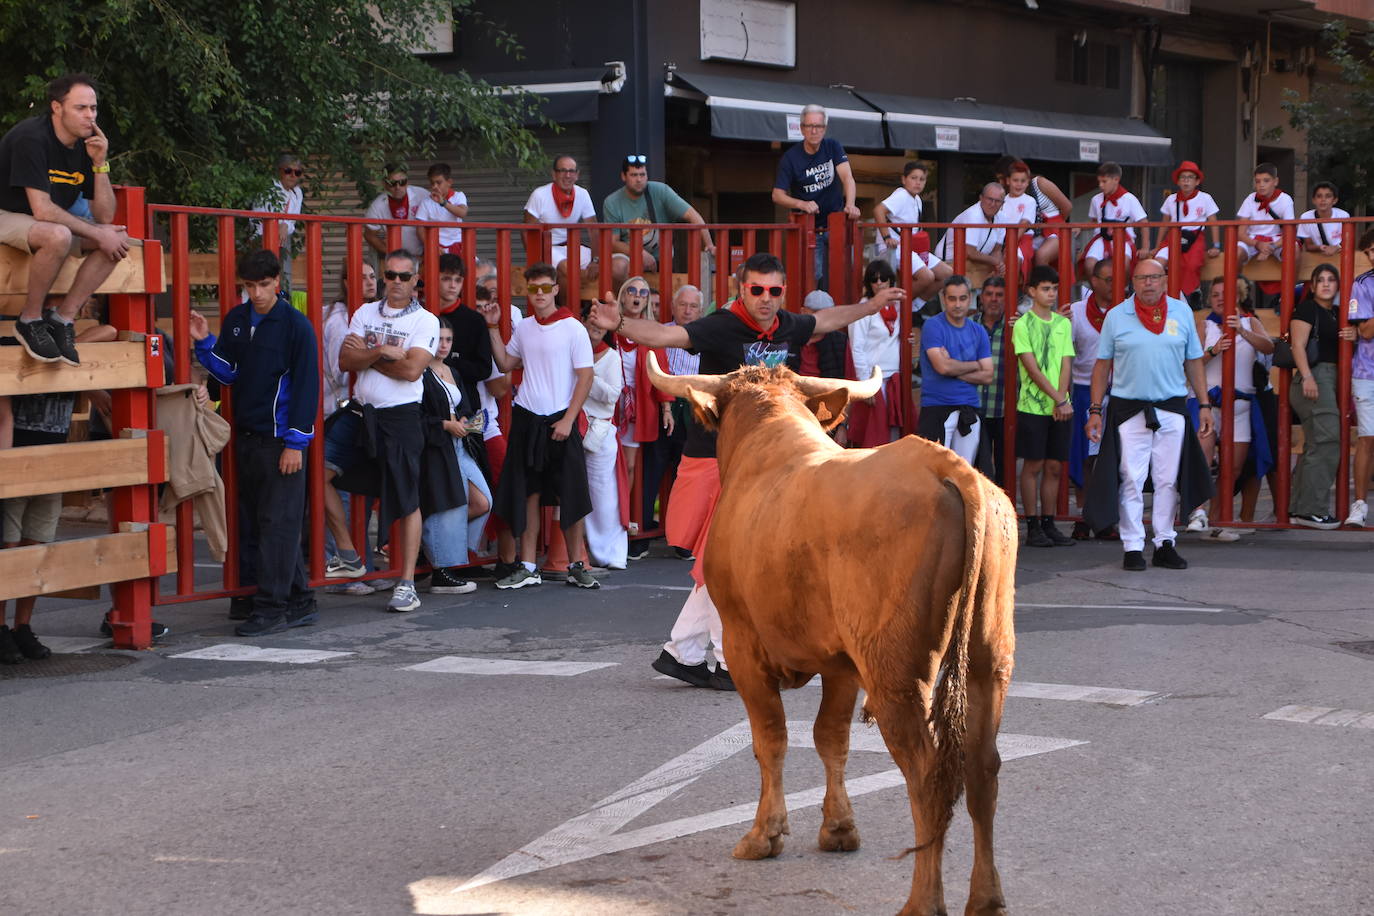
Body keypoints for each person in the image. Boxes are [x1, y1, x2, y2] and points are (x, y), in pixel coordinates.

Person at [587, 252, 903, 691]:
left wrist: (871, 306)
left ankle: (682, 652)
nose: (765, 299)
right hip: (715, 460)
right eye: (757, 290)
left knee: (724, 561)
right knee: (729, 563)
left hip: (761, 461)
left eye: (774, 290)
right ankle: (728, 661)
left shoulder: (786, 325)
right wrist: (619, 323)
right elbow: (663, 334)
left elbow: (826, 320)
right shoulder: (722, 325)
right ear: (742, 290)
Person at [189, 249, 319, 635]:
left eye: (264, 284)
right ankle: (300, 601)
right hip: (247, 438)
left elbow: (307, 387)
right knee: (267, 525)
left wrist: (295, 444)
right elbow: (229, 374)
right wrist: (204, 342)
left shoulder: (296, 326)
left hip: (280, 441)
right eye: (250, 286)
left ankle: (271, 608)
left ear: (277, 281)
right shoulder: (237, 319)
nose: (257, 293)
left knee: (277, 525)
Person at [1085, 259, 1215, 571]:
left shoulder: (1181, 312)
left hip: (1171, 406)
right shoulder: (1117, 315)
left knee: (1167, 479)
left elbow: (1194, 361)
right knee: (1132, 478)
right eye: (1142, 278)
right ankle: (1132, 545)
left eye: (1154, 277)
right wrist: (1095, 409)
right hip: (1129, 408)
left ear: (1165, 280)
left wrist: (1204, 404)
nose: (1148, 283)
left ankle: (1164, 542)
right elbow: (1102, 365)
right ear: (1133, 281)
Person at [0, 73, 129, 366]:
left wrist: (100, 164)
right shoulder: (32, 138)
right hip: (6, 214)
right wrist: (97, 233)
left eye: (93, 108)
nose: (90, 116)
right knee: (58, 235)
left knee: (117, 240)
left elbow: (105, 216)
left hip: (40, 221)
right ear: (57, 107)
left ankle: (62, 319)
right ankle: (30, 320)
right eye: (80, 108)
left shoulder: (86, 144)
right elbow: (43, 210)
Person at [337, 250, 440, 611]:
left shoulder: (426, 320)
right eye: (390, 275)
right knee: (321, 472)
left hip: (401, 417)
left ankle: (407, 583)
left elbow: (412, 371)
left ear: (415, 281)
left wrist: (367, 355)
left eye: (403, 276)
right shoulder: (365, 312)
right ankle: (348, 555)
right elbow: (345, 360)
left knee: (407, 499)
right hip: (361, 413)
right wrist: (382, 350)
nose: (395, 282)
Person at [488, 262, 599, 590]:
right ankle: (527, 565)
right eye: (533, 289)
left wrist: (568, 419)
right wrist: (492, 327)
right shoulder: (524, 327)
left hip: (560, 418)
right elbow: (506, 363)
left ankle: (576, 565)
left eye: (544, 288)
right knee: (529, 494)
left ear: (555, 290)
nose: (539, 294)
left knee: (570, 494)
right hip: (527, 418)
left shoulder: (573, 328)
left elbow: (586, 376)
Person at [1185, 277, 1274, 540]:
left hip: (1241, 403)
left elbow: (1269, 347)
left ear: (1238, 295)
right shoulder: (1204, 325)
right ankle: (1198, 513)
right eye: (1215, 295)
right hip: (1208, 403)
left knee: (1232, 469)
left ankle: (1217, 520)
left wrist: (1242, 332)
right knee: (1203, 459)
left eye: (1226, 293)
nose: (1220, 299)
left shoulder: (1250, 322)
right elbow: (1189, 363)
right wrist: (1213, 351)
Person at [419, 318, 490, 594]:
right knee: (449, 505)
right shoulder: (420, 371)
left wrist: (463, 420)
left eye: (448, 339)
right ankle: (442, 567)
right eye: (439, 339)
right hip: (438, 445)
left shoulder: (453, 371)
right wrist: (445, 425)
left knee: (482, 502)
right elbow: (416, 415)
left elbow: (466, 407)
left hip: (459, 444)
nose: (444, 345)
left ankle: (444, 553)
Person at [1014, 265, 1076, 547]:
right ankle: (1032, 525)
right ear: (1032, 291)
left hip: (1060, 406)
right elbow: (1032, 368)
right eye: (1045, 289)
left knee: (1054, 466)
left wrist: (1062, 399)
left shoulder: (1063, 324)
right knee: (1033, 465)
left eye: (1054, 289)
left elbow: (1066, 363)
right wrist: (1059, 399)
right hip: (1032, 406)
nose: (1051, 294)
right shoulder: (1023, 325)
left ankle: (1049, 524)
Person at [612, 276, 672, 559]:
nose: (637, 296)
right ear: (623, 296)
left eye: (643, 293)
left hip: (637, 408)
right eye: (632, 291)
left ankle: (622, 518)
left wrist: (667, 409)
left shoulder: (651, 331)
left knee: (630, 465)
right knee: (605, 464)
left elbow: (662, 371)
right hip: (609, 405)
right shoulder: (611, 328)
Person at [771, 105, 860, 289]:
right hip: (810, 228)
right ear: (801, 128)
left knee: (845, 273)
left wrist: (850, 204)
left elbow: (847, 178)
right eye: (809, 126)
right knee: (812, 278)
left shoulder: (833, 146)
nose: (814, 131)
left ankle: (843, 308)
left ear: (824, 129)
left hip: (836, 223)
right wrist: (801, 204)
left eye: (818, 126)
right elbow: (777, 195)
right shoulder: (790, 158)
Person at [1287, 263, 1344, 529]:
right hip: (1314, 377)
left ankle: (1299, 509)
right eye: (1320, 279)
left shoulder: (1336, 313)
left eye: (1331, 279)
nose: (1326, 284)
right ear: (1312, 285)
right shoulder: (1308, 308)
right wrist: (1308, 376)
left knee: (1316, 445)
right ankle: (1311, 510)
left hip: (1327, 378)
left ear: (1338, 285)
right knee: (1327, 442)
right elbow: (1297, 345)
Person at [602, 154, 714, 287]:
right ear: (623, 176)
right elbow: (613, 242)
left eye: (642, 175)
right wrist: (639, 253)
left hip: (661, 257)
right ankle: (624, 298)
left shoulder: (661, 191)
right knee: (617, 267)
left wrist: (709, 245)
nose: (639, 179)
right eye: (633, 175)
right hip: (629, 258)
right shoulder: (612, 202)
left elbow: (693, 215)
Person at [917, 275, 993, 467]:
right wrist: (975, 364)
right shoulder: (933, 325)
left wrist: (953, 367)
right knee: (934, 473)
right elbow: (942, 367)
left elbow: (987, 375)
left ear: (970, 298)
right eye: (952, 298)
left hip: (969, 409)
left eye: (962, 298)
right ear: (944, 299)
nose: (957, 304)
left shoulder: (978, 331)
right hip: (936, 407)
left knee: (965, 473)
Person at [1067, 259, 1116, 539]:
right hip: (1084, 390)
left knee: (1112, 457)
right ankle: (1083, 515)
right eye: (1108, 280)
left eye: (1117, 280)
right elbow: (1064, 353)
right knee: (1085, 457)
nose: (1114, 285)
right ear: (1094, 281)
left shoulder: (1126, 311)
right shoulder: (1076, 312)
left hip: (1119, 389)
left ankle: (1107, 517)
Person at [581, 303, 629, 569]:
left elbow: (612, 395)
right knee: (578, 492)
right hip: (573, 428)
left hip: (599, 432)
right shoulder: (572, 351)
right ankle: (584, 551)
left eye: (600, 322)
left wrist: (586, 375)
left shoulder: (612, 357)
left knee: (603, 495)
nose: (595, 326)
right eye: (591, 319)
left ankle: (611, 555)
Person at [872, 161, 949, 303]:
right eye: (913, 178)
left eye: (922, 179)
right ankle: (897, 305)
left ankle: (915, 306)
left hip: (910, 247)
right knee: (927, 277)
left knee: (947, 273)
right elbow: (878, 210)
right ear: (904, 179)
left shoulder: (917, 199)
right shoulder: (901, 195)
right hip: (893, 248)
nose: (918, 182)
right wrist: (887, 237)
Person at [847, 259, 905, 446]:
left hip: (895, 377)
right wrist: (865, 384)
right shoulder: (864, 308)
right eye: (874, 279)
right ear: (868, 284)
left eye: (884, 278)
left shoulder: (898, 305)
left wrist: (909, 339)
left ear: (891, 281)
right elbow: (857, 347)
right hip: (874, 379)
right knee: (875, 436)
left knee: (895, 436)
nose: (879, 283)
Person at [1150, 161, 1221, 302]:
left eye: (1190, 177)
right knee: (1157, 264)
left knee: (1191, 265)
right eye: (1183, 177)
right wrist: (1157, 246)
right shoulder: (1171, 199)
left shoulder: (1205, 198)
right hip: (1173, 237)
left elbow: (1214, 223)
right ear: (1178, 181)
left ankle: (1192, 292)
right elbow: (1164, 225)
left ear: (1197, 181)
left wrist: (1216, 245)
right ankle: (1162, 297)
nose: (1186, 181)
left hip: (1195, 237)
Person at [524, 155, 598, 287]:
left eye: (571, 171)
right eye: (562, 171)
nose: (567, 175)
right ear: (554, 174)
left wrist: (596, 260)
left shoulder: (583, 194)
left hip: (572, 246)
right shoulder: (540, 194)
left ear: (577, 175)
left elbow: (594, 230)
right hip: (547, 248)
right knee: (567, 268)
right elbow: (526, 230)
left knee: (607, 265)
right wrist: (534, 261)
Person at [992, 156, 1072, 268]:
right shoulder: (1008, 195)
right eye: (999, 179)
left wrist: (1055, 224)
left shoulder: (1040, 182)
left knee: (1041, 256)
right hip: (1033, 234)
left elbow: (1067, 207)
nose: (1001, 182)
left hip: (1055, 230)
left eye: (1001, 178)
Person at [1344, 229, 1374, 528]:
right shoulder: (1362, 283)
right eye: (1370, 252)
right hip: (1368, 373)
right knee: (1367, 438)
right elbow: (1365, 331)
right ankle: (1360, 505)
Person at [976, 276, 1014, 484]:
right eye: (989, 294)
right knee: (976, 468)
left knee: (1005, 466)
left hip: (1005, 408)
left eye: (999, 295)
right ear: (981, 297)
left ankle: (1003, 503)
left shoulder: (1016, 326)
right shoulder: (970, 325)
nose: (994, 299)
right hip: (975, 407)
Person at [1081, 162, 1146, 280]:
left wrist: (1145, 247)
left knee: (1124, 264)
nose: (1100, 185)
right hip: (1101, 237)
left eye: (1104, 181)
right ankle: (1099, 290)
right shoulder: (1096, 199)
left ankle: (1122, 289)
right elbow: (1094, 222)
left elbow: (1143, 222)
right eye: (1099, 182)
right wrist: (1080, 227)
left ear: (1116, 179)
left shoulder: (1129, 199)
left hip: (1124, 239)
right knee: (1089, 265)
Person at [252, 153, 304, 291]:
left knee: (284, 276)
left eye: (297, 172)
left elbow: (293, 221)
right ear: (280, 171)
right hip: (262, 238)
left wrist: (285, 225)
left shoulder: (297, 193)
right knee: (262, 277)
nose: (293, 175)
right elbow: (258, 217)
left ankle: (282, 299)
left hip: (284, 238)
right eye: (288, 171)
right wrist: (280, 225)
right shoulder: (269, 189)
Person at [934, 183, 1008, 277]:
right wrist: (995, 262)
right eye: (990, 199)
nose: (993, 204)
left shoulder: (1002, 217)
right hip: (949, 262)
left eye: (997, 201)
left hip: (978, 263)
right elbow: (970, 253)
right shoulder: (973, 215)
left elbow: (996, 250)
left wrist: (999, 266)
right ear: (981, 198)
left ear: (1003, 203)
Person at [363, 163, 429, 261]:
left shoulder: (422, 195)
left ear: (407, 182)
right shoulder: (378, 205)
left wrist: (431, 251)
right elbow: (369, 235)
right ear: (384, 184)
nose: (398, 187)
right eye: (392, 183)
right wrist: (391, 253)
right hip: (397, 260)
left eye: (402, 182)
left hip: (423, 256)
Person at [1235, 162, 1295, 266]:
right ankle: (1238, 277)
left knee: (1294, 250)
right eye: (1257, 181)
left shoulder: (1285, 199)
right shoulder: (1250, 199)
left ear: (1275, 181)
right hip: (1253, 240)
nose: (1261, 185)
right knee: (1235, 253)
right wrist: (1258, 244)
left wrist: (1270, 247)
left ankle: (1291, 277)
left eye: (1266, 180)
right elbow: (1241, 233)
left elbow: (1289, 232)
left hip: (1277, 241)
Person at [414, 162, 469, 255]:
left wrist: (443, 203)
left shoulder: (458, 196)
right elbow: (420, 230)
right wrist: (432, 245)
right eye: (432, 183)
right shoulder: (426, 202)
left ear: (449, 182)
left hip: (456, 245)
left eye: (438, 183)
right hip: (434, 246)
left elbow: (462, 213)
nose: (434, 186)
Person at [1297, 181, 1348, 257]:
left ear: (1335, 200)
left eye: (1328, 196)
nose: (1323, 199)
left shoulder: (1344, 216)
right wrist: (1321, 248)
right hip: (1316, 257)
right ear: (1313, 200)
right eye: (1319, 196)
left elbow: (1348, 241)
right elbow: (1308, 246)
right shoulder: (1305, 217)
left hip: (1339, 256)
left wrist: (1336, 247)